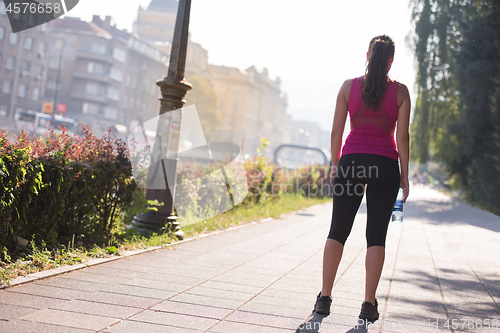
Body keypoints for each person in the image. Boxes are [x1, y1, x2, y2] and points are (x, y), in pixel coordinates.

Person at [313, 35, 411, 324]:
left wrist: (334, 166)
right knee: (376, 236)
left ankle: (324, 298)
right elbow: (402, 137)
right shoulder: (401, 92)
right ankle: (368, 305)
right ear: (391, 60)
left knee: (337, 231)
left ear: (367, 55)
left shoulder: (348, 87)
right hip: (385, 165)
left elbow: (335, 133)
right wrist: (404, 176)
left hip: (352, 163)